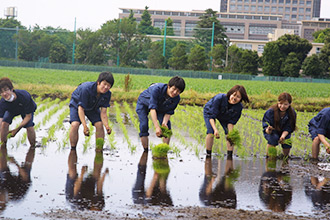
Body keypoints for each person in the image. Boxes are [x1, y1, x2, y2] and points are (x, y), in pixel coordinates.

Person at [136, 76, 185, 151]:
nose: (175, 92)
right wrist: (157, 127)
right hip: (144, 103)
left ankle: (164, 150)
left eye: (178, 91)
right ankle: (145, 150)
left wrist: (164, 123)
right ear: (169, 86)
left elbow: (168, 112)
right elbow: (153, 108)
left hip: (160, 106)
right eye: (174, 89)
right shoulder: (157, 89)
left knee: (167, 126)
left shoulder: (176, 98)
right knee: (144, 125)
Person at [69, 72, 114, 150]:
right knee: (75, 124)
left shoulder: (107, 94)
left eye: (109, 86)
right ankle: (73, 149)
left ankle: (99, 149)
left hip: (92, 106)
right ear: (98, 83)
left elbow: (103, 113)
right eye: (104, 84)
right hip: (77, 105)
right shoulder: (86, 89)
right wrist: (84, 126)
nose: (106, 87)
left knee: (99, 124)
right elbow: (81, 108)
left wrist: (107, 126)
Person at [203, 85, 249, 156]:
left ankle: (230, 155)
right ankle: (208, 154)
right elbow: (212, 116)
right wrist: (215, 130)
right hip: (210, 111)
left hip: (224, 114)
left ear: (241, 99)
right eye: (234, 95)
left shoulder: (238, 107)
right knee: (210, 132)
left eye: (238, 97)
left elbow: (231, 122)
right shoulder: (219, 98)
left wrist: (230, 134)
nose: (234, 98)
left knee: (230, 134)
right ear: (230, 93)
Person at [0, 77, 37, 146]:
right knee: (4, 124)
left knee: (29, 126)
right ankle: (3, 146)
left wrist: (16, 129)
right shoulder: (2, 103)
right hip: (12, 110)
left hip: (25, 109)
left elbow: (28, 116)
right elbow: (0, 119)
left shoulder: (24, 96)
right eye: (1, 92)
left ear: (12, 89)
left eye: (6, 90)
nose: (4, 94)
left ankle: (33, 146)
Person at [262, 92, 296, 158]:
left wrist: (283, 136)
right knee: (273, 139)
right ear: (277, 102)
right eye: (280, 103)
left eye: (285, 104)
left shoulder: (292, 113)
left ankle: (285, 157)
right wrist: (268, 130)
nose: (282, 106)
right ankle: (269, 157)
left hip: (284, 132)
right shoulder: (270, 112)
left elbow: (289, 127)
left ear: (289, 104)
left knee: (287, 141)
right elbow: (265, 126)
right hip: (272, 131)